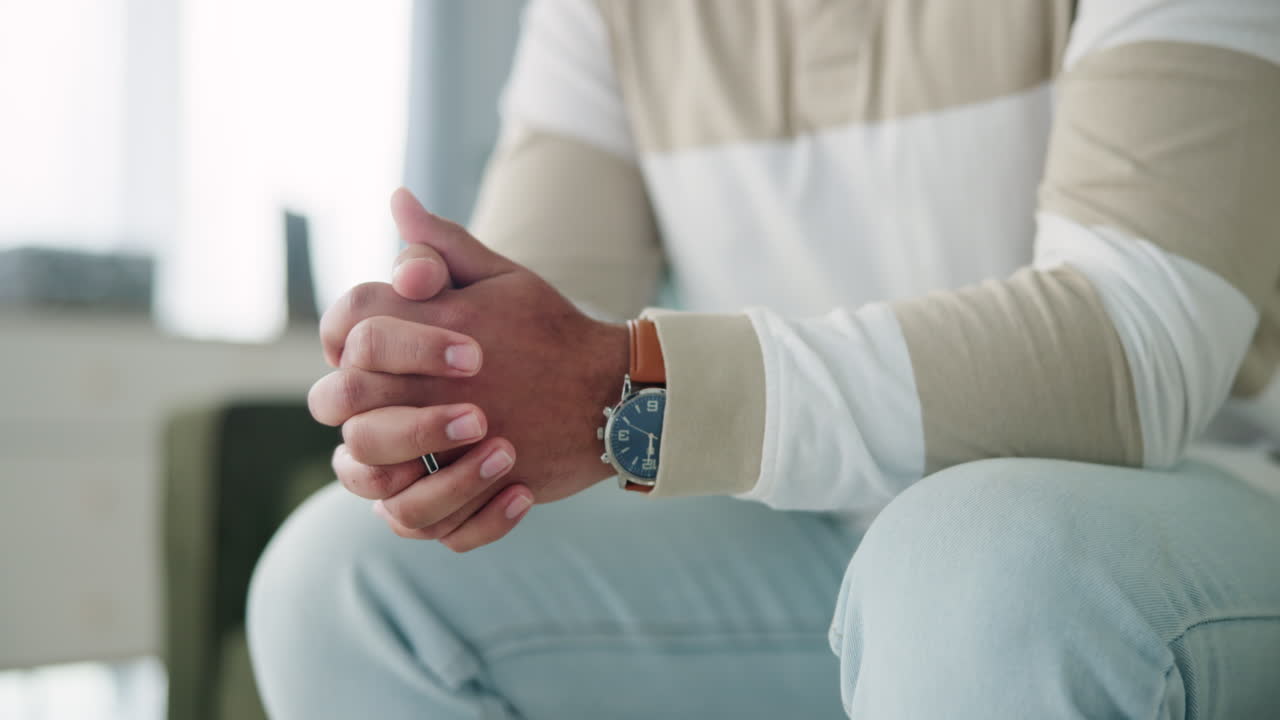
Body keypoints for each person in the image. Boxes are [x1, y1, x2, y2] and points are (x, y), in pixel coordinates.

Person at [247, 1, 1280, 717]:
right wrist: (447, 397)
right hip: (819, 537)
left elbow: (1133, 352)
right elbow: (535, 340)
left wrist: (634, 388)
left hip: (1192, 506)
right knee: (339, 582)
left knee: (977, 566)